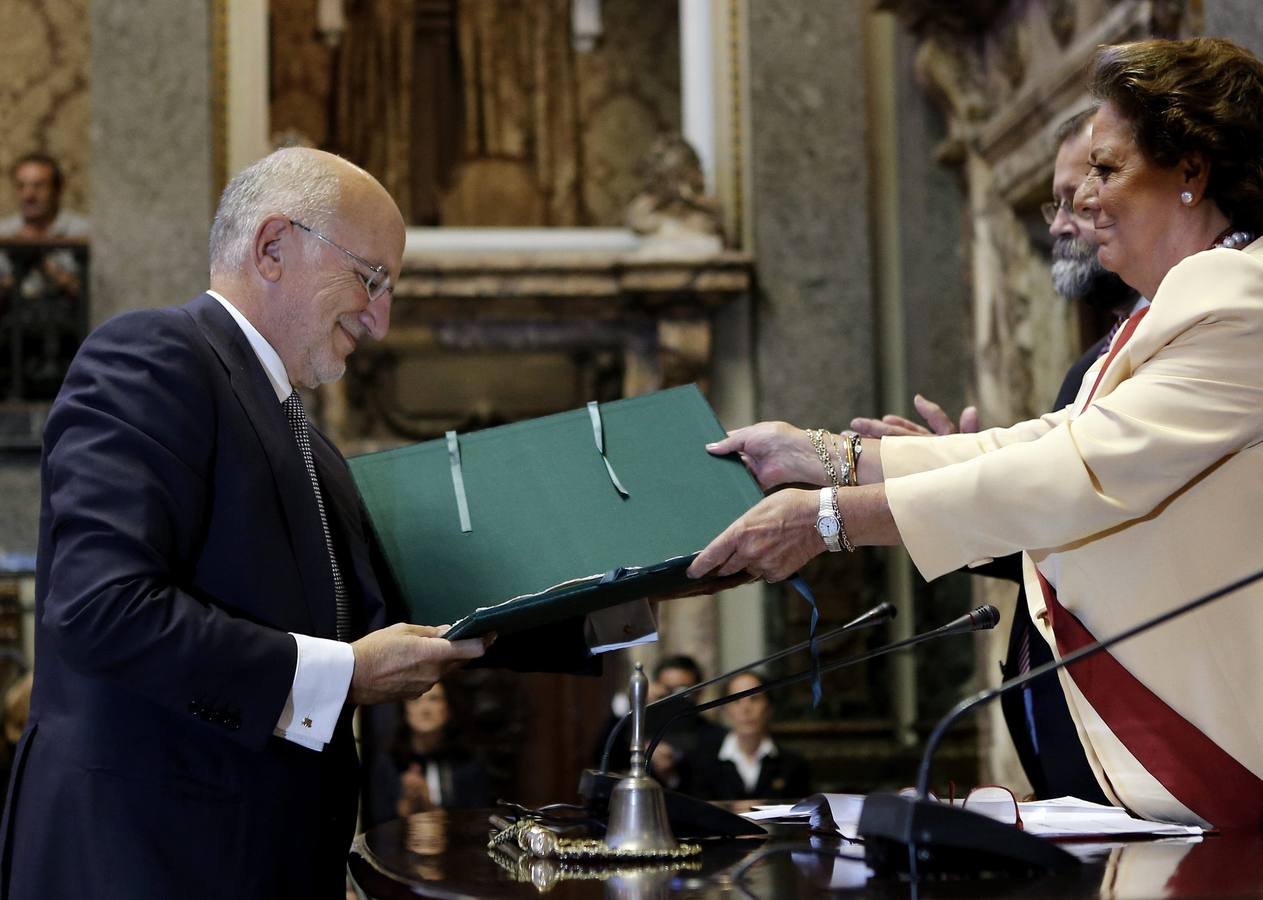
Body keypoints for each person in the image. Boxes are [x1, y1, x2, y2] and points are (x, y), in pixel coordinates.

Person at [689, 37, 1263, 829]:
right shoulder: (1169, 313)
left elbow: (1070, 472)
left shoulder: (1236, 303)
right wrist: (821, 453)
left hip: (1208, 755)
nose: (1081, 203)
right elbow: (1031, 444)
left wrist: (827, 520)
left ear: (1190, 172)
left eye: (1105, 169)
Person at [0, 148, 492, 899]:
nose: (381, 319)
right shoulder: (151, 356)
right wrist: (345, 674)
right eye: (371, 279)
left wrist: (627, 589)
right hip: (145, 860)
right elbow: (102, 606)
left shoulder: (309, 440)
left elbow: (404, 605)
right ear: (272, 248)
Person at [850, 110, 1144, 805]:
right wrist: (955, 470)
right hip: (1070, 739)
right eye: (1059, 201)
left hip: (1138, 723)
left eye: (1079, 195)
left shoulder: (1187, 343)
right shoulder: (1092, 364)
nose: (1061, 222)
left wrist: (835, 508)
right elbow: (1058, 535)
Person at [689, 671, 809, 801]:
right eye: (736, 700)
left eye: (755, 699)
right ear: (725, 709)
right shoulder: (703, 762)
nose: (745, 709)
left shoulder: (793, 764)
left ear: (769, 707)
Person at [391, 681, 492, 815]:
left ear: (448, 708)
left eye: (434, 699)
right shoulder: (389, 761)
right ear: (405, 711)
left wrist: (428, 804)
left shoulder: (468, 763)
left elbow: (478, 820)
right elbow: (376, 824)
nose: (425, 710)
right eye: (415, 700)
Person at [0, 153, 90, 295]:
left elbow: (91, 296)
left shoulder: (82, 232)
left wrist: (38, 255)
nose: (28, 195)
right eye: (21, 186)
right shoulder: (4, 233)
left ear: (57, 190)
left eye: (39, 186)